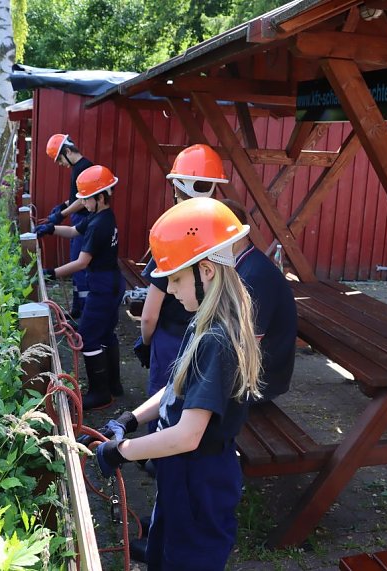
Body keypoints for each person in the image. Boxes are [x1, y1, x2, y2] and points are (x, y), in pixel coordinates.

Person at [93, 197, 263, 571]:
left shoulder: (216, 340)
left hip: (199, 483)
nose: (169, 289)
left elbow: (188, 435)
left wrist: (122, 452)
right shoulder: (201, 321)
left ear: (206, 271)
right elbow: (175, 389)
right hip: (181, 477)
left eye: (175, 278)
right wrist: (130, 420)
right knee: (162, 554)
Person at [135, 143, 227, 431]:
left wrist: (147, 343)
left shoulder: (174, 232)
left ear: (177, 187)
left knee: (164, 405)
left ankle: (155, 457)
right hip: (211, 334)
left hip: (171, 338)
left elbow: (149, 314)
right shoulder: (223, 231)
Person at [37, 165, 125, 410]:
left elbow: (82, 262)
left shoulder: (99, 225)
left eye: (86, 199)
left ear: (100, 197)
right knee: (105, 332)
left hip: (103, 285)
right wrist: (51, 229)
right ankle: (113, 385)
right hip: (111, 282)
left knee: (87, 335)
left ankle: (99, 393)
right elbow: (75, 231)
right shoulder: (101, 217)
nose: (83, 204)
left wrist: (51, 273)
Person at [219, 198, 297, 401]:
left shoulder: (255, 276)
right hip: (252, 371)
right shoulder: (244, 262)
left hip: (260, 381)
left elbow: (246, 343)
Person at [43, 133, 94, 319]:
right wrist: (64, 205)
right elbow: (76, 198)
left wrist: (61, 215)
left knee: (79, 267)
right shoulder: (77, 169)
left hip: (82, 222)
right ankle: (77, 309)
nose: (60, 164)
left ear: (67, 151)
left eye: (59, 159)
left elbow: (83, 201)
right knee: (75, 266)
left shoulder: (85, 168)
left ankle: (84, 315)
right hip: (77, 219)